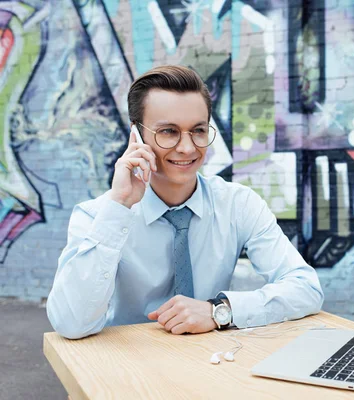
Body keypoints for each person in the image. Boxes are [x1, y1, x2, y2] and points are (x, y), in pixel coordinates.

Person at [46, 65, 324, 339]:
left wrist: (219, 311)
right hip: (127, 366)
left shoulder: (238, 204)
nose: (188, 148)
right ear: (137, 135)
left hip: (211, 362)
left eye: (198, 130)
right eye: (168, 131)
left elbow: (306, 288)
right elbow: (71, 323)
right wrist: (119, 206)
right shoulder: (97, 216)